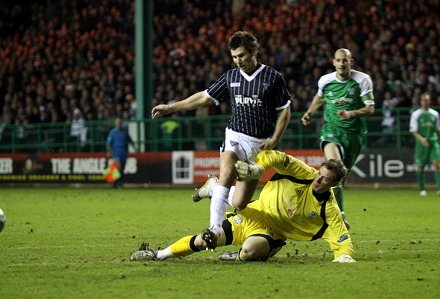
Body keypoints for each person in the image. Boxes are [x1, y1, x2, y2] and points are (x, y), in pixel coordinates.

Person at [151, 31, 291, 248]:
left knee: (239, 202)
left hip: (260, 146)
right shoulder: (230, 77)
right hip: (234, 135)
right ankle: (214, 228)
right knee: (227, 172)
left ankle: (214, 188)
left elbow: (285, 111)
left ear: (254, 51)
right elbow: (203, 97)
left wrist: (274, 140)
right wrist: (171, 107)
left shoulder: (273, 77)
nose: (238, 61)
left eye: (242, 55)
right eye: (234, 57)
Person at [129, 150, 355, 263]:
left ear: (334, 185)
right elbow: (273, 156)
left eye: (326, 179)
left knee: (249, 252)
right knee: (203, 241)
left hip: (272, 233)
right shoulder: (305, 173)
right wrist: (259, 167)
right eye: (320, 174)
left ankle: (217, 193)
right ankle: (157, 254)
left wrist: (344, 256)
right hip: (253, 212)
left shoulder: (329, 210)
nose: (319, 179)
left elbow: (342, 239)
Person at [301, 48, 375, 229]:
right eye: (339, 60)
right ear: (333, 62)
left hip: (354, 134)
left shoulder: (362, 80)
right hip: (331, 130)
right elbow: (319, 98)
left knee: (341, 178)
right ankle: (339, 215)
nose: (342, 63)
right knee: (334, 165)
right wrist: (309, 113)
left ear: (351, 62)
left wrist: (351, 113)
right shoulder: (325, 81)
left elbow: (370, 108)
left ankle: (326, 206)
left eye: (345, 60)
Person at [409, 93, 440, 197]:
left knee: (437, 164)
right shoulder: (416, 114)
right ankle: (422, 189)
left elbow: (438, 130)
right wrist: (422, 139)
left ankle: (439, 189)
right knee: (421, 166)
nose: (425, 102)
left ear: (430, 101)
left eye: (427, 100)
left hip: (433, 142)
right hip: (421, 144)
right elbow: (414, 131)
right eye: (423, 100)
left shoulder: (435, 114)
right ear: (421, 101)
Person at [106, 117, 137, 188]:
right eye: (117, 122)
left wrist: (134, 148)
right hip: (116, 152)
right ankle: (119, 183)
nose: (119, 123)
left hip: (124, 152)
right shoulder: (112, 132)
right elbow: (108, 143)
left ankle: (116, 182)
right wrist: (108, 151)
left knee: (122, 168)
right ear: (115, 123)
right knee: (119, 166)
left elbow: (130, 140)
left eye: (120, 122)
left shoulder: (125, 132)